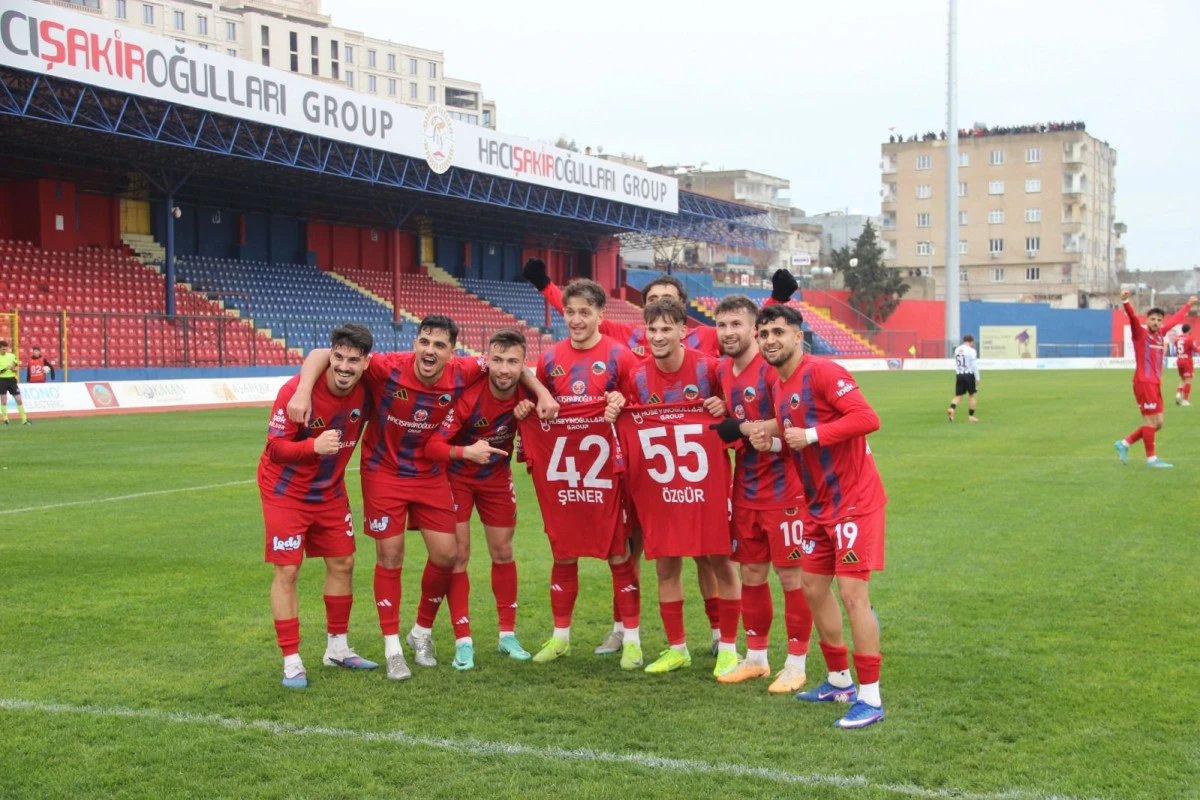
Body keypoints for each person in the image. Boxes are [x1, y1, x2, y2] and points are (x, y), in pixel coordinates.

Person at [525, 261, 799, 656]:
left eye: (668, 306)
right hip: (646, 473)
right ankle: (625, 629)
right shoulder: (633, 343)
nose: (659, 317)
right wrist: (546, 287)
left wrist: (776, 301)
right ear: (644, 313)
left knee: (710, 558)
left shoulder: (708, 348)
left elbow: (745, 329)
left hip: (697, 474)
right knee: (634, 553)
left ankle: (721, 638)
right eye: (652, 304)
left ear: (683, 320)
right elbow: (582, 312)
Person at [287, 316, 557, 681]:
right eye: (425, 341)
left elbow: (510, 364)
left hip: (431, 471)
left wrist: (541, 393)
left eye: (439, 345)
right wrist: (303, 391)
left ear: (452, 352)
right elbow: (324, 352)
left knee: (447, 555)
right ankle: (392, 648)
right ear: (415, 343)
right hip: (384, 471)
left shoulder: (464, 370)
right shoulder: (386, 367)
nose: (430, 350)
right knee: (390, 555)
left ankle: (420, 632)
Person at [747, 304, 888, 729]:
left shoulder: (824, 372)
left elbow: (867, 418)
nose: (771, 340)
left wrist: (809, 435)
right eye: (764, 333)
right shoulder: (776, 381)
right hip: (818, 504)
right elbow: (792, 436)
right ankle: (840, 680)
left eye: (778, 332)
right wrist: (770, 440)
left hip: (855, 502)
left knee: (852, 596)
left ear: (797, 336)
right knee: (811, 586)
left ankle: (870, 697)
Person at [610, 297, 741, 677]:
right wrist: (616, 405)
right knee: (666, 566)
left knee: (721, 562)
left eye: (667, 328)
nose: (658, 336)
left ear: (685, 331)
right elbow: (625, 421)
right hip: (662, 488)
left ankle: (729, 647)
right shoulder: (636, 375)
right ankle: (677, 648)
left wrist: (725, 409)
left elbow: (739, 415)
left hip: (707, 485)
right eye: (652, 329)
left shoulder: (710, 369)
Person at [529, 279, 643, 669]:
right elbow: (537, 406)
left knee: (618, 554)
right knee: (563, 553)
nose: (576, 320)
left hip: (608, 474)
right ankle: (560, 637)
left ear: (600, 315)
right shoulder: (549, 359)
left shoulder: (619, 355)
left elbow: (640, 407)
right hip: (565, 474)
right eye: (570, 312)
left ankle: (632, 639)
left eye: (584, 312)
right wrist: (526, 414)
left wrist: (621, 399)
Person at [258, 324, 377, 689]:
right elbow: (275, 449)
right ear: (330, 356)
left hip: (329, 490)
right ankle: (291, 660)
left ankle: (337, 649)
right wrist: (312, 447)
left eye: (353, 360)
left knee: (343, 562)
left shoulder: (370, 389)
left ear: (365, 364)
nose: (343, 366)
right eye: (338, 357)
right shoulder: (295, 391)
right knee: (288, 571)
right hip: (285, 492)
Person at [709, 294, 814, 693]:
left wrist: (747, 429)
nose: (729, 332)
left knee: (791, 577)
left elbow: (789, 420)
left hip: (785, 488)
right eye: (722, 325)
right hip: (746, 487)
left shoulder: (770, 370)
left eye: (737, 325)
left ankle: (796, 663)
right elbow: (736, 422)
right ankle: (756, 658)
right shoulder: (723, 370)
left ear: (752, 329)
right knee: (751, 573)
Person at [425, 329, 537, 669]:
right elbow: (432, 446)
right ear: (486, 360)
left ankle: (507, 635)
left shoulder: (526, 394)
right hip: (458, 478)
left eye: (512, 362)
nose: (504, 369)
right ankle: (464, 641)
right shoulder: (468, 399)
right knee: (459, 556)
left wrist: (533, 406)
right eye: (498, 360)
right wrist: (465, 452)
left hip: (497, 480)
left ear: (522, 365)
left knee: (503, 552)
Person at [1114, 290, 1197, 468]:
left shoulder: (1161, 335)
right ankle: (1152, 460)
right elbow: (1132, 317)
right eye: (1153, 319)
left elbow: (1176, 319)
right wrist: (1126, 300)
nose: (1156, 322)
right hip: (1144, 383)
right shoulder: (1140, 334)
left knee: (1158, 423)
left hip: (1155, 384)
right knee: (1150, 422)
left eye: (1159, 320)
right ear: (1147, 320)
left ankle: (1125, 443)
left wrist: (1188, 305)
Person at [948, 334, 980, 422]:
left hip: (959, 374)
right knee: (972, 395)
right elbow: (974, 365)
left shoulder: (957, 349)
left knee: (958, 395)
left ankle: (952, 409)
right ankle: (971, 416)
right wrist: (977, 377)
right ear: (971, 341)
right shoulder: (971, 351)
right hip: (968, 374)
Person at [0, 340, 30, 426]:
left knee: (19, 400)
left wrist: (12, 369)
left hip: (12, 380)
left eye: (6, 349)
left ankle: (24, 420)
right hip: (2, 380)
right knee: (4, 400)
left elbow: (16, 368)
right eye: (3, 349)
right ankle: (6, 419)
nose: (5, 351)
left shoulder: (12, 356)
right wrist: (6, 368)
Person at [1175, 324, 1194, 406]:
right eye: (1191, 329)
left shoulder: (1177, 339)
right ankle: (1185, 400)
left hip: (1179, 360)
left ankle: (1178, 394)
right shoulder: (1189, 339)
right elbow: (1194, 349)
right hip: (1187, 361)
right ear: (1189, 330)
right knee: (1188, 380)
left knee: (1183, 379)